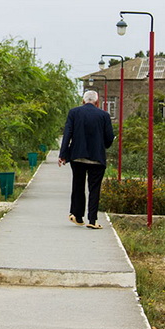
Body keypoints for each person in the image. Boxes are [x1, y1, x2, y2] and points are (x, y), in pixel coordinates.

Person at [58, 90, 114, 229]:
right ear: (97, 102)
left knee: (78, 185)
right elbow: (109, 138)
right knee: (94, 189)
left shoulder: (74, 113)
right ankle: (92, 220)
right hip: (97, 158)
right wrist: (102, 145)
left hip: (77, 156)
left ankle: (77, 216)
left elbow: (67, 134)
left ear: (83, 101)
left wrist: (63, 154)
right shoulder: (104, 115)